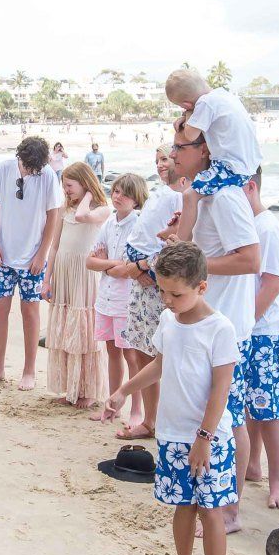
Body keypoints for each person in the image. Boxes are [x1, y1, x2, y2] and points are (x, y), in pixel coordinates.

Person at [109, 241, 238, 555]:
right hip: (172, 433)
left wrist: (204, 436)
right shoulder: (168, 321)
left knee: (210, 511)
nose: (166, 300)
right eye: (162, 290)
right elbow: (160, 366)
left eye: (175, 293)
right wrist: (124, 390)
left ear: (202, 287)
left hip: (209, 436)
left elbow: (221, 390)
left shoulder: (220, 328)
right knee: (183, 506)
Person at [168, 130, 260, 533]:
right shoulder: (205, 194)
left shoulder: (224, 197)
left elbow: (250, 259)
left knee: (230, 419)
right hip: (205, 320)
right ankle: (218, 503)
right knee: (218, 414)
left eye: (179, 148)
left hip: (227, 326)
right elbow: (187, 244)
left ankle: (231, 510)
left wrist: (196, 265)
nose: (172, 154)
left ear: (203, 150)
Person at [112, 147, 184, 439]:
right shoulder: (161, 193)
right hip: (140, 283)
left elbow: (179, 246)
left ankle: (163, 422)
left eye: (166, 159)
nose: (161, 165)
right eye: (157, 161)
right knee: (142, 351)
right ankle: (150, 421)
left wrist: (141, 267)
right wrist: (136, 268)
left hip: (157, 284)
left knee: (159, 355)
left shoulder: (182, 196)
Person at [163, 69, 262, 276]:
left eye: (178, 148)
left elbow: (190, 134)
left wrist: (186, 118)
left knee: (190, 195)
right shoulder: (224, 95)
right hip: (245, 165)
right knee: (194, 196)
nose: (172, 155)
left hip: (229, 167)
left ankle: (179, 246)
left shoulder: (205, 104)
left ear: (187, 104)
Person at [0, 136, 61, 389]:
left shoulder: (47, 174)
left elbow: (53, 216)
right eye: (28, 166)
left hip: (32, 258)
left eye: (35, 168)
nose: (31, 171)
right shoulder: (4, 169)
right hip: (3, 256)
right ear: (20, 158)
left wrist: (42, 254)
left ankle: (29, 371)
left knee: (30, 311)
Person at [241, 168, 279, 509]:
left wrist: (247, 323)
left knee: (270, 407)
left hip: (266, 329)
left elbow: (271, 286)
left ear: (250, 187)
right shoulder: (247, 227)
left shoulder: (269, 229)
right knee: (250, 402)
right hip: (248, 325)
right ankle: (253, 464)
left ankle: (278, 478)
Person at [46, 163, 110, 408]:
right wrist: (46, 279)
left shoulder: (102, 209)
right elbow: (54, 246)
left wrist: (90, 195)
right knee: (66, 332)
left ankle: (88, 391)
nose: (66, 190)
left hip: (84, 274)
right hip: (63, 272)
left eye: (70, 185)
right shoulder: (65, 209)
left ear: (85, 183)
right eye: (64, 186)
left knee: (84, 332)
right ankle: (71, 389)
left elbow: (84, 217)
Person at [86, 173, 145, 424]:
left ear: (137, 199)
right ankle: (112, 405)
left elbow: (130, 268)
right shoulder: (109, 223)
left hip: (127, 302)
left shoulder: (138, 225)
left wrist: (107, 264)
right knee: (111, 352)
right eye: (116, 191)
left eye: (125, 193)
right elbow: (90, 261)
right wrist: (112, 263)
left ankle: (136, 409)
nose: (118, 197)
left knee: (131, 356)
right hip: (106, 299)